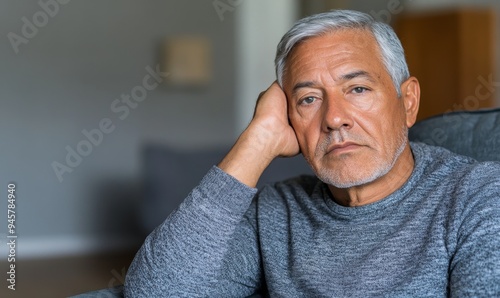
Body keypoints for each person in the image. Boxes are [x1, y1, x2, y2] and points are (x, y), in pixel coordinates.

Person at [124, 10, 500, 297]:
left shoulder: (479, 196)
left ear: (408, 102)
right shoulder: (276, 212)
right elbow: (155, 291)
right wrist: (257, 141)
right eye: (308, 99)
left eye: (357, 89)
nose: (334, 118)